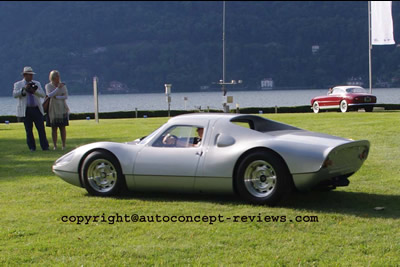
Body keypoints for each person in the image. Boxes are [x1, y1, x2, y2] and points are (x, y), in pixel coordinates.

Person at [13, 66, 49, 151]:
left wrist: (34, 91)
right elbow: (15, 94)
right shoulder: (18, 84)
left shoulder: (37, 83)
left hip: (36, 109)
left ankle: (45, 146)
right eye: (29, 75)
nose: (31, 76)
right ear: (25, 75)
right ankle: (32, 147)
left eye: (32, 75)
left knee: (41, 129)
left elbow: (43, 94)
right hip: (26, 110)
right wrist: (24, 90)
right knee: (29, 130)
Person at [45, 70, 69, 150]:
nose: (58, 78)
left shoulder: (63, 86)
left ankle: (63, 145)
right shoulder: (48, 86)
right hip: (53, 108)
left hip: (62, 107)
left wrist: (58, 97)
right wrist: (58, 89)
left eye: (58, 77)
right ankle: (55, 145)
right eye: (56, 77)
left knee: (62, 127)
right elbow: (49, 95)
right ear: (53, 78)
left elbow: (66, 96)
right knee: (54, 128)